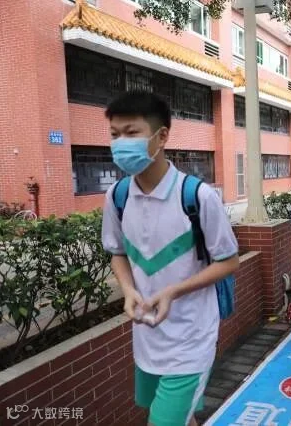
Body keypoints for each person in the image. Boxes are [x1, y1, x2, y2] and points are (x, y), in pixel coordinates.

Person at [101, 91, 240, 426]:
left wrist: (173, 291)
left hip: (191, 339)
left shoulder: (197, 196)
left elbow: (229, 261)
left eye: (131, 133)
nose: (121, 144)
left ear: (161, 136)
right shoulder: (118, 196)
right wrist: (128, 290)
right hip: (147, 337)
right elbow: (117, 253)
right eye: (115, 135)